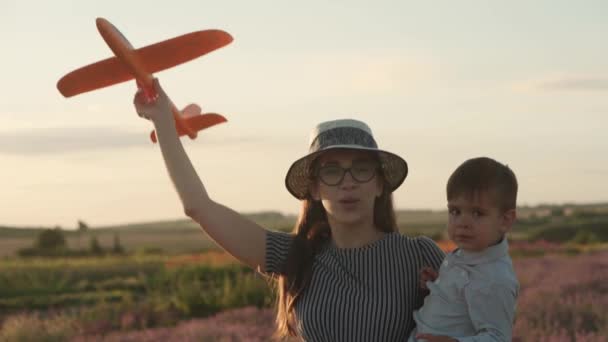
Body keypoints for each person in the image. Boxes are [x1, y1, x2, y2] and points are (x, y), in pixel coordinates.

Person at [133, 79, 445, 341]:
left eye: (361, 169)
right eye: (332, 171)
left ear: (379, 184)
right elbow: (198, 206)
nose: (347, 183)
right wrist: (163, 120)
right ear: (314, 188)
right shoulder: (297, 256)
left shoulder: (418, 256)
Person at [409, 157, 520, 342]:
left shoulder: (494, 279)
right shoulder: (467, 256)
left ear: (505, 220)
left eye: (477, 213)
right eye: (455, 211)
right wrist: (440, 286)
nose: (462, 223)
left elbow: (498, 337)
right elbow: (466, 297)